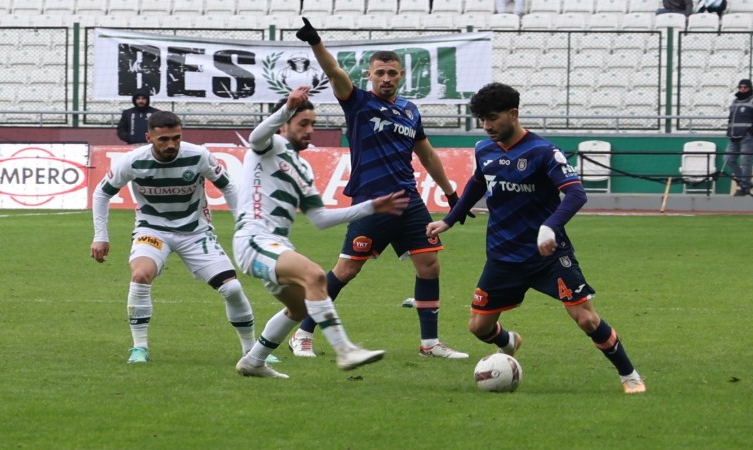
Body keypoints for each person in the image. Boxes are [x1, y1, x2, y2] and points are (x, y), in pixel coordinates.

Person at [425, 83, 646, 394]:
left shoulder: (543, 151)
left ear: (513, 114)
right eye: (481, 120)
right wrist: (450, 219)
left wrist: (551, 226)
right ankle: (508, 341)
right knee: (478, 327)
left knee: (586, 319)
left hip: (548, 256)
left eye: (492, 118)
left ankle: (629, 375)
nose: (486, 126)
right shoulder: (484, 149)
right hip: (502, 255)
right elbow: (478, 182)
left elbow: (576, 194)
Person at [293, 18, 471, 360]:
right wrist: (315, 42)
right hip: (372, 202)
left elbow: (427, 154)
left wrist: (450, 194)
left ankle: (430, 343)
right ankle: (302, 333)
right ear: (369, 76)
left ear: (401, 75)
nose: (386, 78)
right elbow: (333, 71)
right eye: (380, 73)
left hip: (409, 199)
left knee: (430, 265)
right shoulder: (357, 101)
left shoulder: (410, 110)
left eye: (392, 73)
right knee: (346, 270)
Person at [232, 87, 410, 378]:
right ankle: (345, 350)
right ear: (284, 124)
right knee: (315, 276)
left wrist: (370, 207)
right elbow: (255, 137)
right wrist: (287, 108)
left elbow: (320, 218)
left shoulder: (302, 166)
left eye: (313, 124)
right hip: (253, 241)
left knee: (301, 308)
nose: (310, 130)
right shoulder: (270, 145)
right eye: (303, 123)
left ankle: (253, 361)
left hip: (276, 245)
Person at [91, 110, 260, 365]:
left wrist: (243, 225)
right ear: (149, 138)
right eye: (164, 139)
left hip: (196, 232)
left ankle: (252, 351)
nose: (171, 144)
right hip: (152, 230)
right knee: (140, 275)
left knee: (232, 288)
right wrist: (100, 236)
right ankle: (139, 348)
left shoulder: (198, 156)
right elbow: (102, 193)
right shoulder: (132, 161)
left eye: (176, 138)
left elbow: (228, 186)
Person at [724, 79, 753, 197]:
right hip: (733, 135)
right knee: (728, 159)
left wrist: (750, 131)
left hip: (747, 136)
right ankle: (744, 181)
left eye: (745, 87)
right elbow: (731, 117)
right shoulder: (735, 101)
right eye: (740, 87)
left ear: (750, 88)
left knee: (746, 161)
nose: (742, 89)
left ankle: (744, 187)